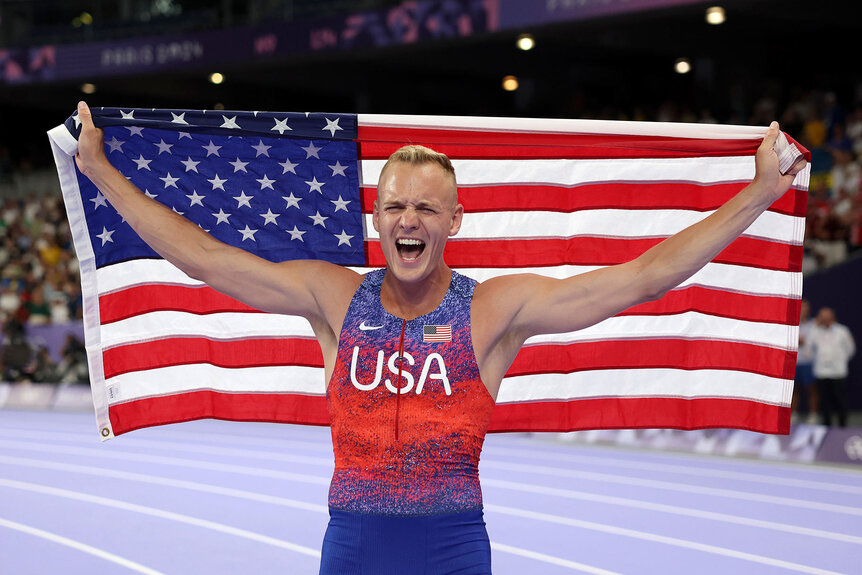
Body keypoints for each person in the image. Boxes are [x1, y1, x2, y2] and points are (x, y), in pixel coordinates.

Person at [73, 101, 806, 574]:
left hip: (453, 547)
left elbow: (639, 277)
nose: (408, 219)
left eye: (427, 206)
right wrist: (101, 171)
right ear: (377, 218)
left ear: (455, 221)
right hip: (351, 546)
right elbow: (205, 258)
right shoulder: (333, 297)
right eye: (394, 205)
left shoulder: (491, 311)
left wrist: (760, 193)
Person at [809, 307, 856, 427]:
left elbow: (850, 349)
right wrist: (815, 326)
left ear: (832, 317)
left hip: (838, 372)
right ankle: (826, 426)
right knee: (824, 402)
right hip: (821, 372)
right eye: (821, 316)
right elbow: (809, 348)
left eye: (825, 316)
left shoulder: (842, 331)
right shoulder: (815, 331)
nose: (823, 319)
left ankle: (842, 426)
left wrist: (840, 360)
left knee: (840, 400)